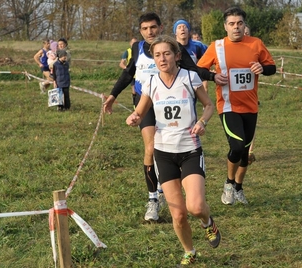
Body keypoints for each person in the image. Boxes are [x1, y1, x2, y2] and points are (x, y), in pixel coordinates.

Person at [103, 12, 217, 222]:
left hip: (175, 101)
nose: (150, 32)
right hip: (145, 104)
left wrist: (212, 76)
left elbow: (193, 69)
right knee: (150, 147)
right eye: (145, 28)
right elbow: (128, 73)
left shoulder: (172, 47)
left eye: (153, 27)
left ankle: (172, 186)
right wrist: (113, 95)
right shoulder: (137, 49)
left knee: (169, 145)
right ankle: (153, 198)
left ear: (161, 27)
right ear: (140, 31)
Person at [126, 35, 221, 266]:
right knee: (178, 215)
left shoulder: (190, 77)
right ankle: (189, 251)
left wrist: (203, 123)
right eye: (157, 55)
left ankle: (208, 222)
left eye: (166, 53)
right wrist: (134, 117)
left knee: (196, 207)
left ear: (177, 56)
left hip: (190, 150)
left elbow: (209, 105)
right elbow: (140, 111)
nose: (162, 58)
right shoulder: (150, 82)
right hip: (163, 153)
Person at [197, 6, 276, 205]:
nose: (236, 27)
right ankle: (229, 183)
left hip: (250, 106)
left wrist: (262, 68)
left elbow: (271, 67)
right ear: (225, 27)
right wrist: (213, 76)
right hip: (228, 106)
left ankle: (238, 188)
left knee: (245, 152)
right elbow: (199, 69)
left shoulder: (256, 44)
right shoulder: (217, 46)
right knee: (237, 145)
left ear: (244, 25)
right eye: (232, 24)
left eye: (240, 23)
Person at [173, 19, 209, 93]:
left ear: (189, 31)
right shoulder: (171, 47)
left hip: (194, 79)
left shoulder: (198, 46)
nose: (182, 29)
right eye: (179, 27)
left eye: (185, 27)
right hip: (177, 80)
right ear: (175, 33)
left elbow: (211, 55)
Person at [119, 37, 138, 106]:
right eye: (133, 43)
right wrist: (127, 68)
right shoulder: (127, 52)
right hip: (132, 75)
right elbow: (121, 64)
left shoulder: (140, 50)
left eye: (136, 43)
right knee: (134, 91)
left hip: (140, 75)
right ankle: (135, 105)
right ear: (130, 43)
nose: (134, 44)